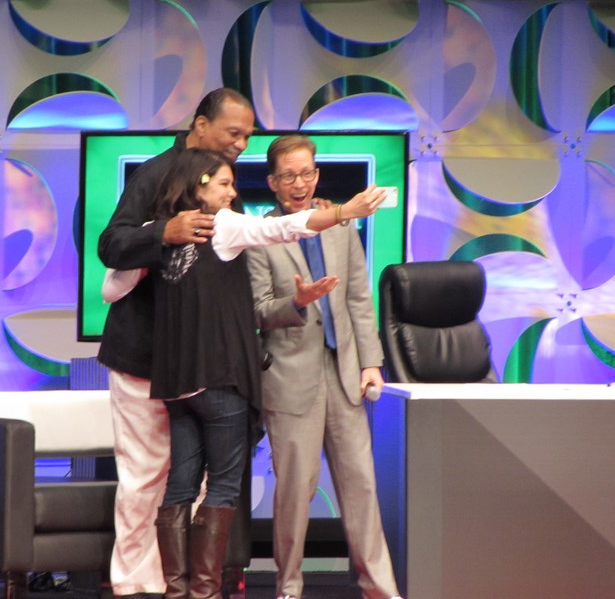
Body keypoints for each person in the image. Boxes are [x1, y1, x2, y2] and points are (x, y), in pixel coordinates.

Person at [118, 148, 385, 599]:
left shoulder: (160, 231)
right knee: (228, 485)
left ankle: (180, 591)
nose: (232, 193)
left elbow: (112, 286)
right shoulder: (226, 225)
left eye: (307, 173)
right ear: (201, 186)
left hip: (181, 383)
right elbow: (278, 235)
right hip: (231, 377)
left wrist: (156, 238)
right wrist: (344, 212)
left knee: (182, 484)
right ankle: (226, 590)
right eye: (225, 184)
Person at [97, 88, 255, 599]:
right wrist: (164, 231)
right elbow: (111, 245)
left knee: (200, 481)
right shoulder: (154, 175)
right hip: (143, 354)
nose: (242, 144)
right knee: (144, 475)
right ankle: (133, 585)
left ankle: (184, 586)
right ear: (201, 125)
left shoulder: (228, 190)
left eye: (248, 137)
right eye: (234, 133)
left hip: (201, 361)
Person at [245, 135, 403, 599]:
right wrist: (297, 302)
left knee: (362, 486)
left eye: (307, 174)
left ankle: (380, 588)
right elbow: (257, 310)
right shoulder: (261, 236)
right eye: (289, 176)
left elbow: (358, 300)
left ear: (317, 176)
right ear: (273, 183)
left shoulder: (340, 227)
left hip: (345, 373)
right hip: (291, 378)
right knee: (296, 492)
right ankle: (288, 586)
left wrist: (371, 362)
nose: (300, 184)